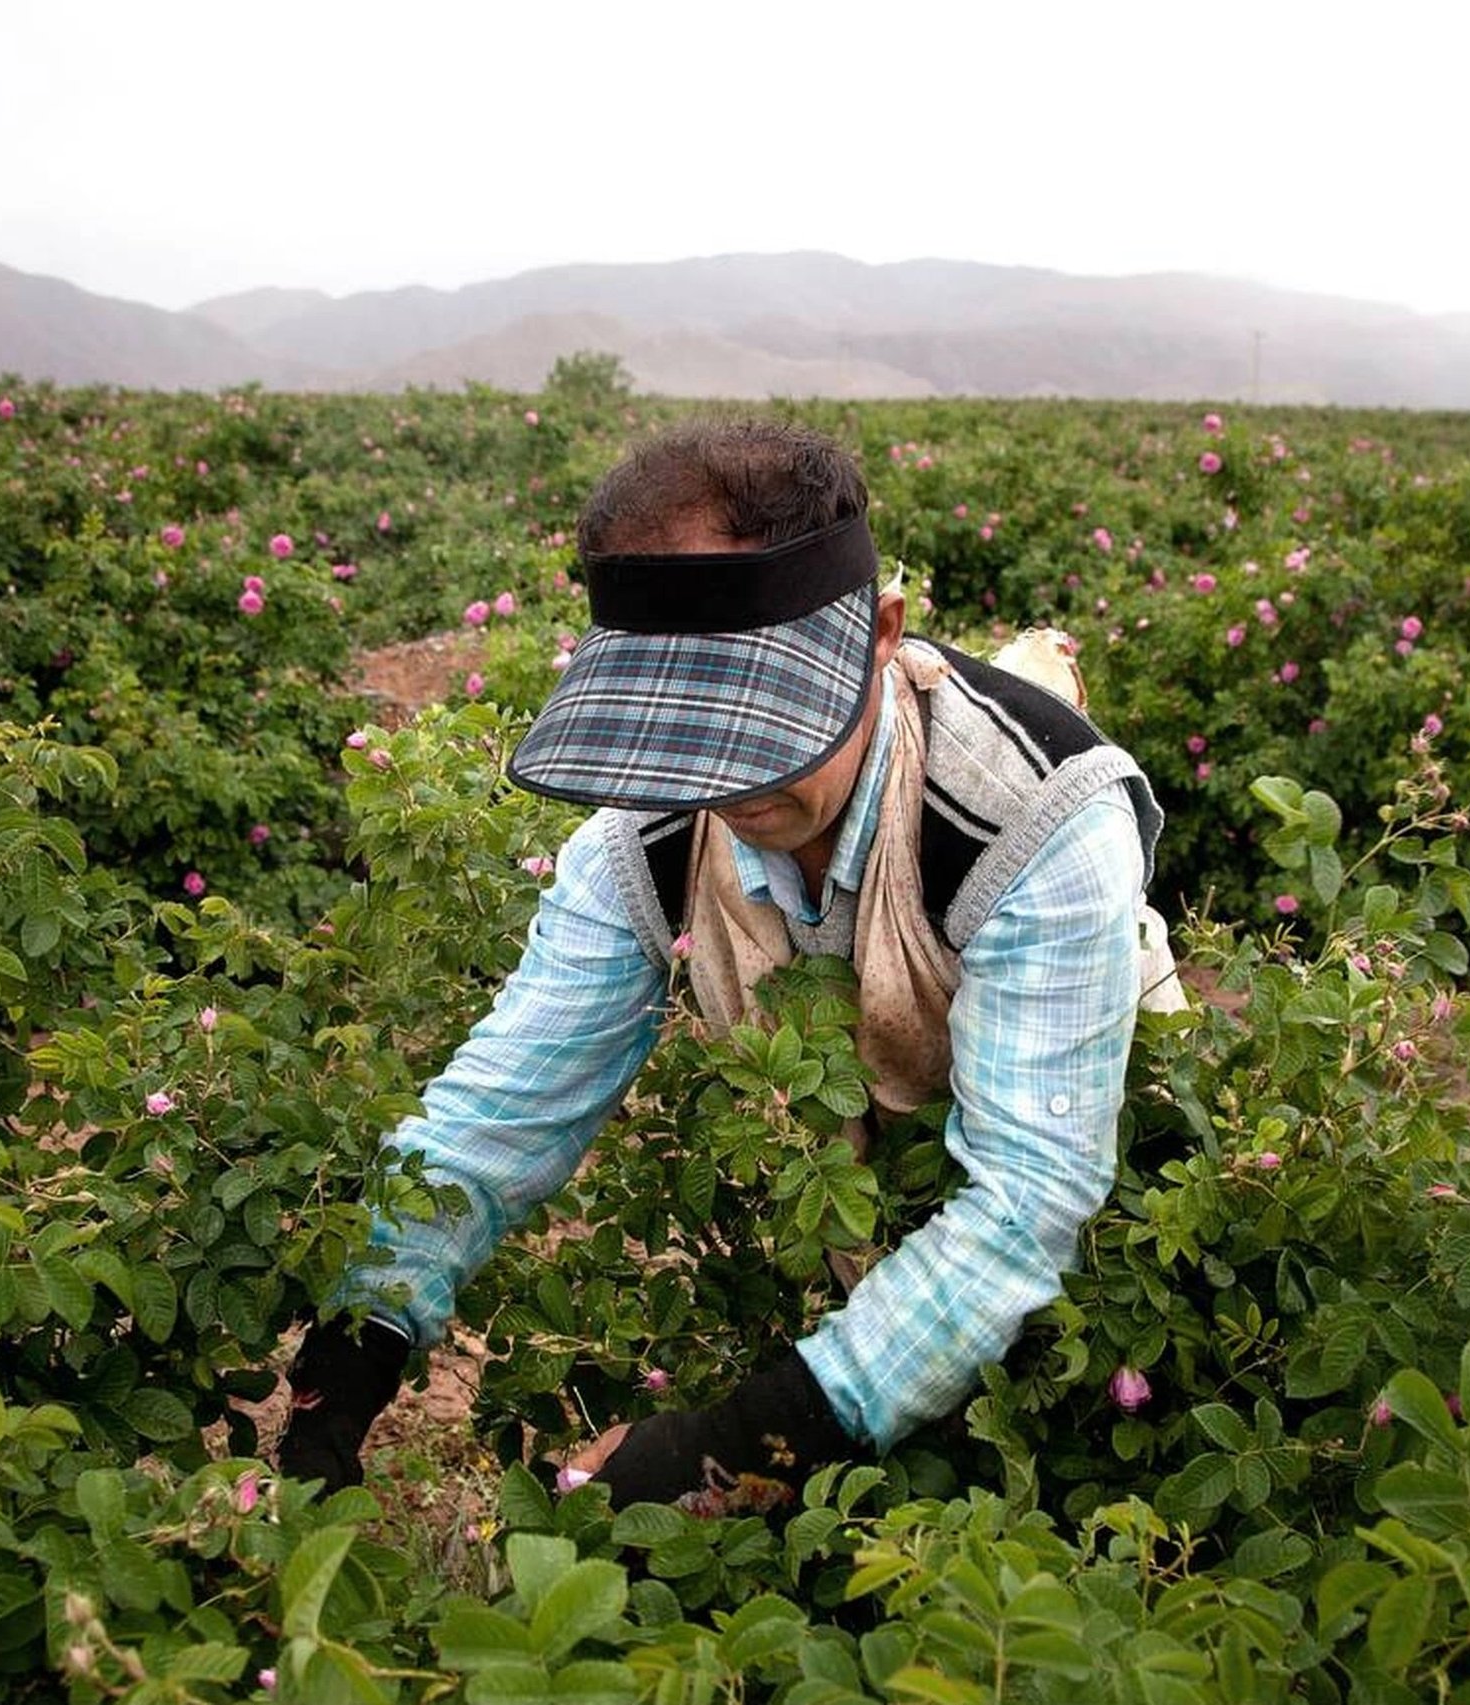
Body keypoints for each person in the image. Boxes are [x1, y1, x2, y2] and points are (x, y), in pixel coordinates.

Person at [280, 419, 1166, 1514]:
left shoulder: (1034, 820)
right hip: (880, 1198)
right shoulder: (646, 843)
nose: (731, 784)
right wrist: (353, 1350)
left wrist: (740, 1440)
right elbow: (496, 1117)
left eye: (767, 728)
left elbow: (1031, 1204)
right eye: (696, 735)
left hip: (1113, 1181)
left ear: (880, 633)